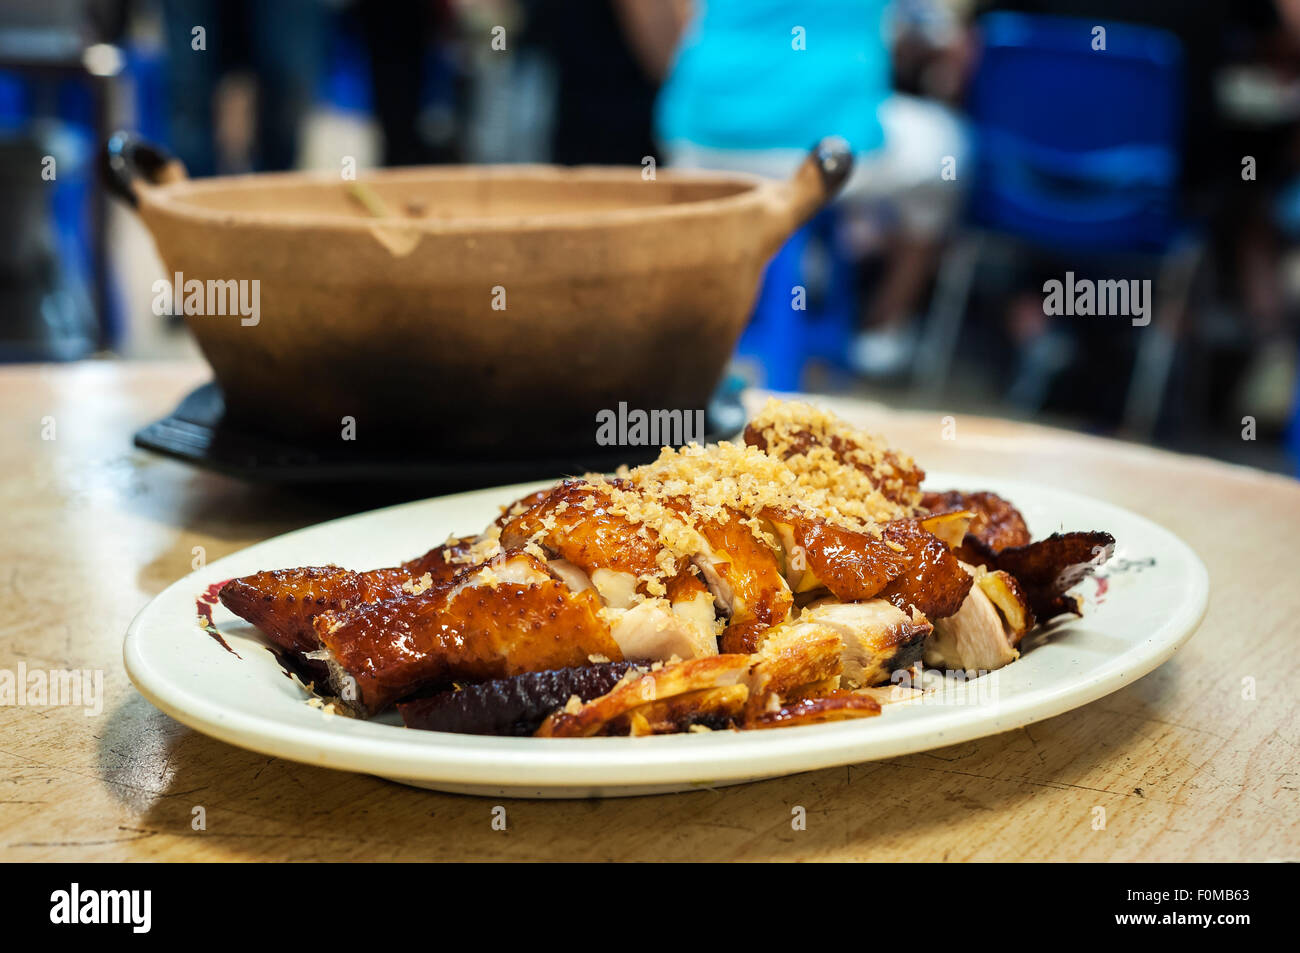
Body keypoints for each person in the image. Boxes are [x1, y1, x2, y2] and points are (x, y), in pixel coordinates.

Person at [649, 0, 970, 376]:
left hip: (694, 139)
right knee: (952, 149)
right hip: (820, 148)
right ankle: (881, 331)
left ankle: (774, 312)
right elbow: (924, 31)